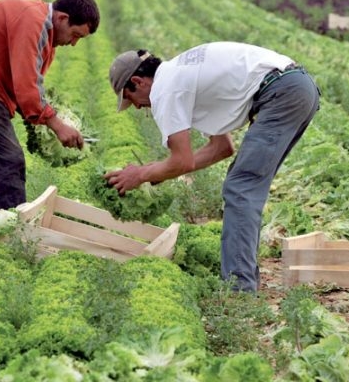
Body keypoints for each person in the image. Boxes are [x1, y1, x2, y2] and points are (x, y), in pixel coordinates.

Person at [104, 42, 320, 292]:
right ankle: (243, 279)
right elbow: (221, 148)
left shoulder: (165, 89)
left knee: (241, 187)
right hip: (295, 87)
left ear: (139, 81)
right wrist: (159, 171)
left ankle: (239, 289)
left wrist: (140, 174)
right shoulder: (181, 76)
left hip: (281, 93)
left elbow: (182, 161)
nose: (139, 108)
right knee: (243, 184)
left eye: (132, 99)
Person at [0, 0, 100, 216]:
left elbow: (27, 86)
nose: (74, 43)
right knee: (7, 162)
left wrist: (42, 115)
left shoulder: (42, 29)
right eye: (75, 35)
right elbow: (27, 85)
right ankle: (14, 232)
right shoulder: (33, 22)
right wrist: (57, 125)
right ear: (61, 18)